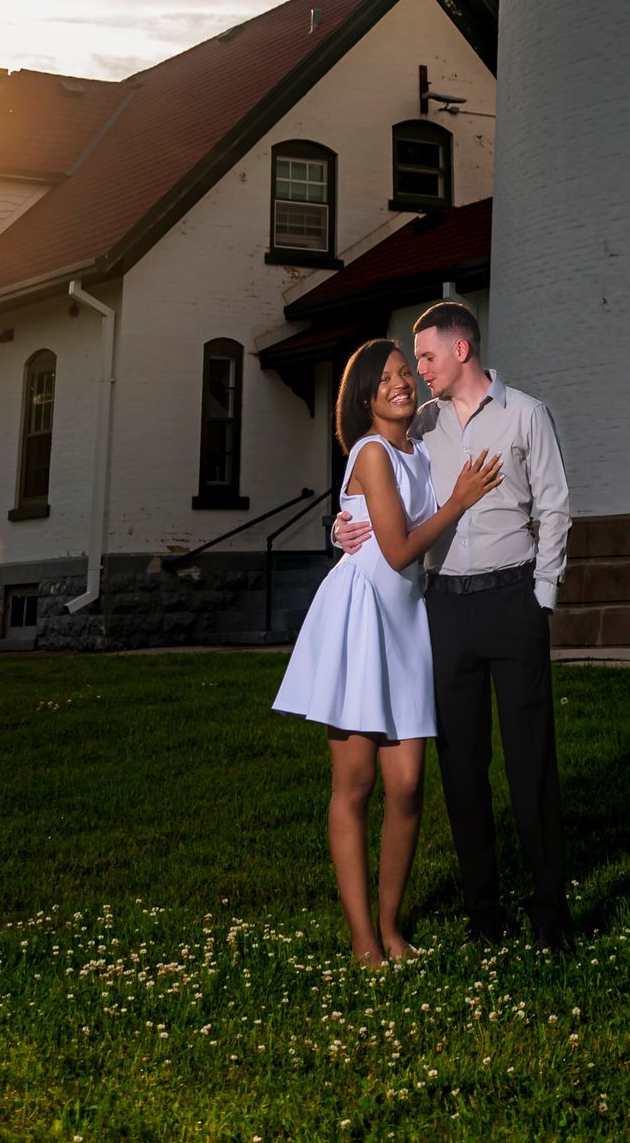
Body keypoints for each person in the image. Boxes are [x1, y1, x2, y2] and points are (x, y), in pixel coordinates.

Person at [335, 301, 573, 950]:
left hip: (512, 599)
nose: (417, 372)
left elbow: (555, 507)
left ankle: (549, 915)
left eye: (426, 357)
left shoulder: (526, 414)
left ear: (460, 350)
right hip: (441, 608)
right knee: (462, 771)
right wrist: (343, 525)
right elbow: (376, 485)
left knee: (530, 763)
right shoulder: (421, 424)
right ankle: (483, 917)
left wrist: (541, 597)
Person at [274, 335, 502, 967]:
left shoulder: (420, 449)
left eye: (405, 372)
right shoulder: (372, 452)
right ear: (364, 397)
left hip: (407, 622)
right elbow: (398, 550)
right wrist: (460, 501)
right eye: (385, 380)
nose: (400, 384)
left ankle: (390, 926)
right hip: (361, 618)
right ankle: (362, 940)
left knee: (407, 786)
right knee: (356, 783)